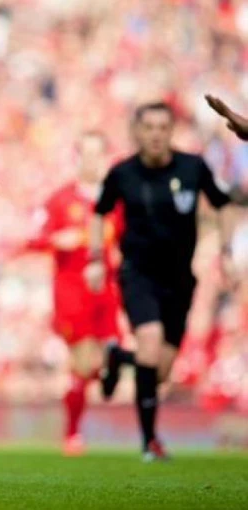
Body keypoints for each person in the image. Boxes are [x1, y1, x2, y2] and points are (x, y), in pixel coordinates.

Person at [86, 102, 246, 461]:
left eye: (162, 127)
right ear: (137, 132)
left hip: (179, 279)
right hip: (137, 274)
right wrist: (95, 259)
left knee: (158, 371)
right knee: (150, 339)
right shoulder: (122, 173)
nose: (156, 134)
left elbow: (222, 204)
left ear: (171, 131)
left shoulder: (193, 167)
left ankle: (119, 357)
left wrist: (225, 252)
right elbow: (99, 212)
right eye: (149, 127)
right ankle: (150, 443)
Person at [27, 131, 122, 456]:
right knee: (82, 360)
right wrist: (57, 240)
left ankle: (98, 378)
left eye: (98, 154)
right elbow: (33, 238)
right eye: (87, 154)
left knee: (109, 357)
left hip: (107, 289)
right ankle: (72, 433)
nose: (93, 161)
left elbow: (127, 238)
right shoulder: (60, 200)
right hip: (72, 291)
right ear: (78, 158)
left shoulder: (116, 200)